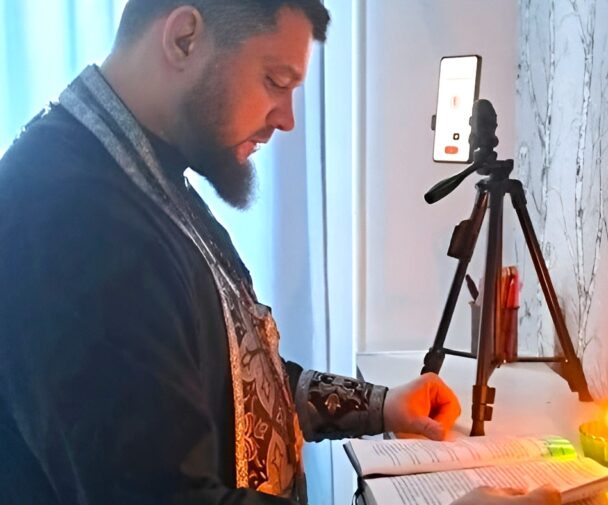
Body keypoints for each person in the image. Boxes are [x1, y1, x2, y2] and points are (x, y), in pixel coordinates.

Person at [0, 1, 559, 504]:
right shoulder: (71, 213)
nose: (287, 118)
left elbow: (238, 381)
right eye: (275, 80)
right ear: (185, 39)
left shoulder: (143, 172)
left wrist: (382, 404)